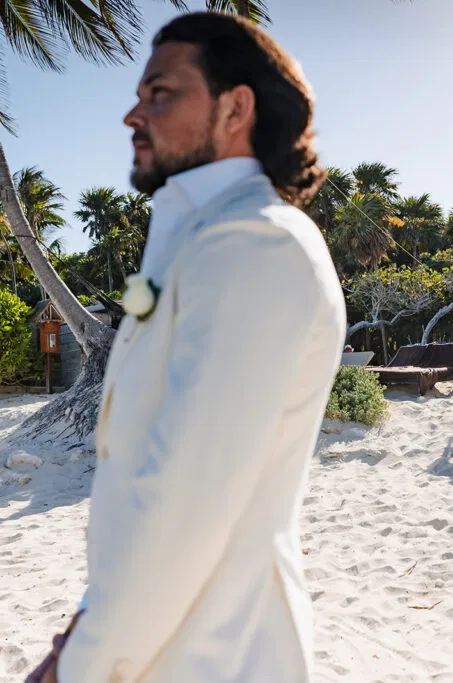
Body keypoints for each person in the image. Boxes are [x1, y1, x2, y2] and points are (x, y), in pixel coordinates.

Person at [27, 14, 346, 683]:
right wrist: (87, 625)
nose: (132, 115)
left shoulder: (258, 244)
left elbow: (189, 499)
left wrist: (82, 667)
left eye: (160, 93)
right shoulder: (203, 242)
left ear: (235, 107)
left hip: (220, 652)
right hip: (164, 644)